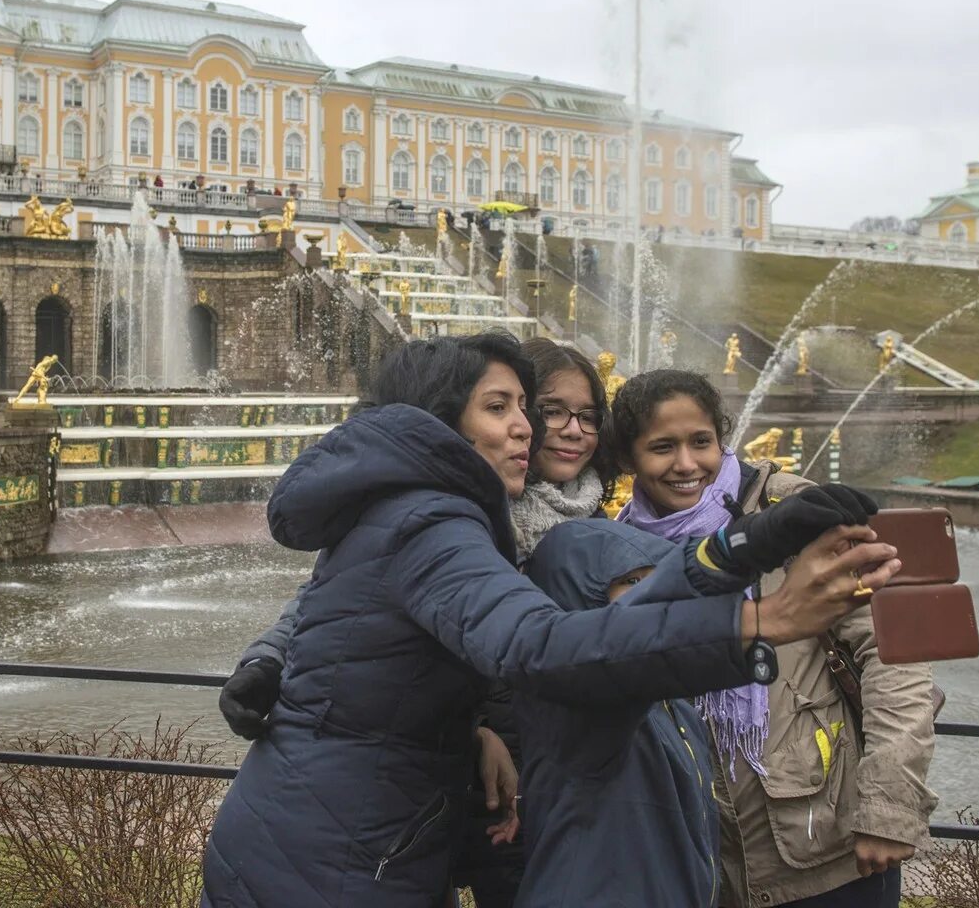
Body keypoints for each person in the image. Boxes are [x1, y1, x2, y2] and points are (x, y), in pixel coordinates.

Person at [202, 333, 893, 908]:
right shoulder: (440, 521)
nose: (536, 427)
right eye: (509, 407)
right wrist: (756, 619)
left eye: (580, 413)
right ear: (441, 420)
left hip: (402, 820)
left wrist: (749, 544)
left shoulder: (504, 517)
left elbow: (366, 611)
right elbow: (534, 643)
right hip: (352, 844)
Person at [219, 336, 620, 906]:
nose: (563, 428)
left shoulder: (612, 522)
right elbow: (337, 601)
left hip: (543, 783)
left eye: (587, 415)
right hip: (443, 797)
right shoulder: (456, 508)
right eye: (549, 409)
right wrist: (269, 657)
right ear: (453, 415)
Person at [605, 369, 938, 908]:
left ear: (723, 438)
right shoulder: (618, 545)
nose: (687, 464)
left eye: (701, 442)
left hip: (826, 846)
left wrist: (889, 805)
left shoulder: (791, 511)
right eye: (662, 447)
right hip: (700, 863)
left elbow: (894, 652)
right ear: (629, 459)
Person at [515, 509, 896, 908]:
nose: (654, 596)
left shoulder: (671, 701)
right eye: (629, 582)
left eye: (655, 580)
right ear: (573, 595)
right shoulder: (575, 694)